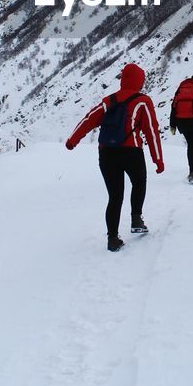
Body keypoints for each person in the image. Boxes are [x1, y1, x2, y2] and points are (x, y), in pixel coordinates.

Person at [66, 62, 164, 251]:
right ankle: (136, 219)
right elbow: (151, 131)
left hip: (107, 153)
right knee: (139, 182)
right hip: (131, 152)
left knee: (115, 196)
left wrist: (73, 140)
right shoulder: (143, 101)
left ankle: (112, 238)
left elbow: (89, 119)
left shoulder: (108, 100)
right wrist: (157, 159)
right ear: (140, 81)